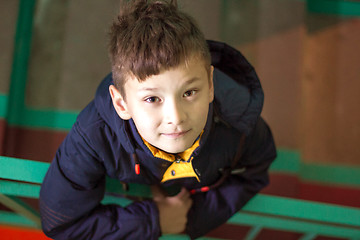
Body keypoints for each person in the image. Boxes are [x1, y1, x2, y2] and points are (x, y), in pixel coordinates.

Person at [39, 0, 276, 239]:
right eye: (152, 99)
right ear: (121, 104)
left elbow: (256, 170)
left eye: (189, 93)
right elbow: (60, 223)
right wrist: (153, 220)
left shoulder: (240, 120)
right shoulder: (93, 137)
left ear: (211, 85)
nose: (176, 118)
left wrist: (192, 216)